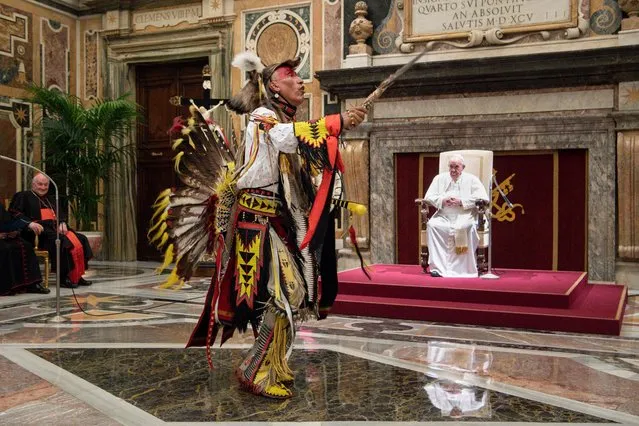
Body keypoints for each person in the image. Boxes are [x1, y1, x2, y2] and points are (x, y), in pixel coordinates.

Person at [185, 53, 366, 399]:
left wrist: (340, 125)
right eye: (292, 77)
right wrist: (335, 121)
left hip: (274, 219)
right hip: (255, 221)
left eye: (299, 78)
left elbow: (301, 145)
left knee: (284, 295)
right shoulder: (263, 115)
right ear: (273, 85)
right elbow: (286, 137)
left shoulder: (283, 118)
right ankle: (257, 369)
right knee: (285, 294)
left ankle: (269, 366)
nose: (300, 82)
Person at [10, 173, 93, 288]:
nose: (43, 187)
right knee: (63, 241)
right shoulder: (23, 196)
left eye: (45, 185)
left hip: (54, 230)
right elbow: (14, 213)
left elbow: (61, 216)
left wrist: (62, 223)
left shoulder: (51, 198)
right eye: (40, 184)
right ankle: (64, 278)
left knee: (81, 238)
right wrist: (29, 223)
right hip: (37, 233)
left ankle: (77, 276)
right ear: (33, 184)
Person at [424, 154, 489, 278]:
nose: (453, 170)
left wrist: (461, 201)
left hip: (465, 215)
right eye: (451, 167)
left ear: (462, 167)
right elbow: (428, 197)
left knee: (466, 226)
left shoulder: (472, 180)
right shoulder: (439, 179)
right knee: (433, 225)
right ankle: (437, 268)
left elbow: (483, 198)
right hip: (444, 215)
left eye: (456, 167)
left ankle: (463, 270)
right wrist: (442, 200)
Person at [0, 202, 50, 295]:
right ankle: (8, 287)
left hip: (5, 236)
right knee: (6, 248)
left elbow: (8, 221)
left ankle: (32, 284)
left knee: (26, 246)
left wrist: (15, 231)